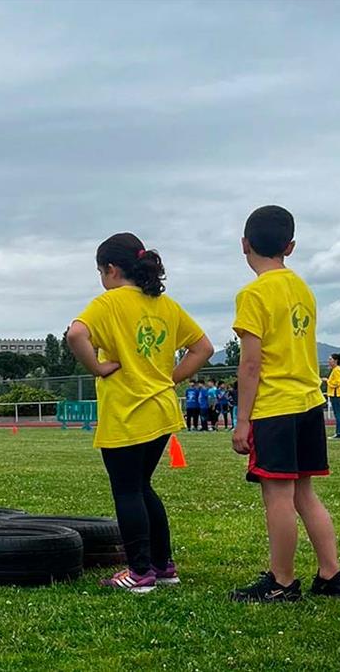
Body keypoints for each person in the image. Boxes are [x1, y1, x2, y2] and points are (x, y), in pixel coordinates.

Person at [67, 232, 213, 593]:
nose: (102, 280)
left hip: (127, 411)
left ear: (113, 270)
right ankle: (163, 566)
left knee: (128, 490)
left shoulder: (109, 302)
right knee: (143, 487)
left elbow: (75, 335)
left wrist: (98, 369)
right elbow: (204, 347)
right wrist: (170, 378)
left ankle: (139, 572)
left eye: (101, 272)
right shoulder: (165, 305)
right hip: (161, 409)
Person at [229, 205, 340, 602]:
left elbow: (251, 364)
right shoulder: (303, 289)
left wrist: (242, 420)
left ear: (244, 245)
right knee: (305, 493)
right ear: (291, 247)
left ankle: (282, 582)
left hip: (275, 406)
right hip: (308, 404)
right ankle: (331, 574)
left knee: (278, 497)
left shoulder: (253, 294)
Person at [325, 353, 340, 439]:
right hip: (336, 394)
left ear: (335, 361)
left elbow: (337, 383)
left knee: (337, 413)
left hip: (336, 394)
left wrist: (327, 381)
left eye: (330, 359)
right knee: (338, 413)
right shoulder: (337, 369)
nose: (329, 361)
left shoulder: (337, 370)